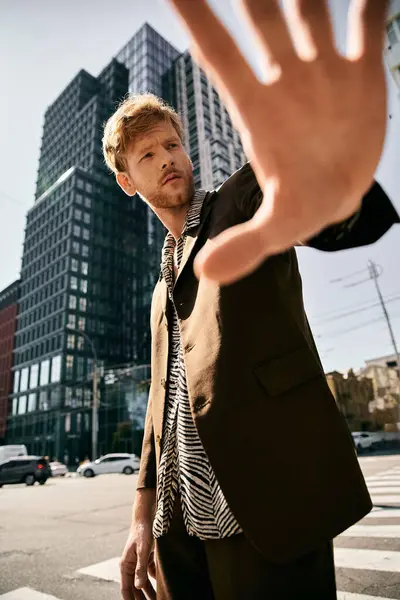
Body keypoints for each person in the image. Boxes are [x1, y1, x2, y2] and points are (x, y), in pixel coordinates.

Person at [102, 2, 398, 599]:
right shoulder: (159, 290)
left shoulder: (239, 203)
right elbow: (160, 409)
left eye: (172, 145)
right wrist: (142, 515)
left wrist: (332, 181)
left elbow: (299, 199)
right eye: (148, 155)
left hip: (266, 509)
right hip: (181, 529)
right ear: (127, 180)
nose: (168, 160)